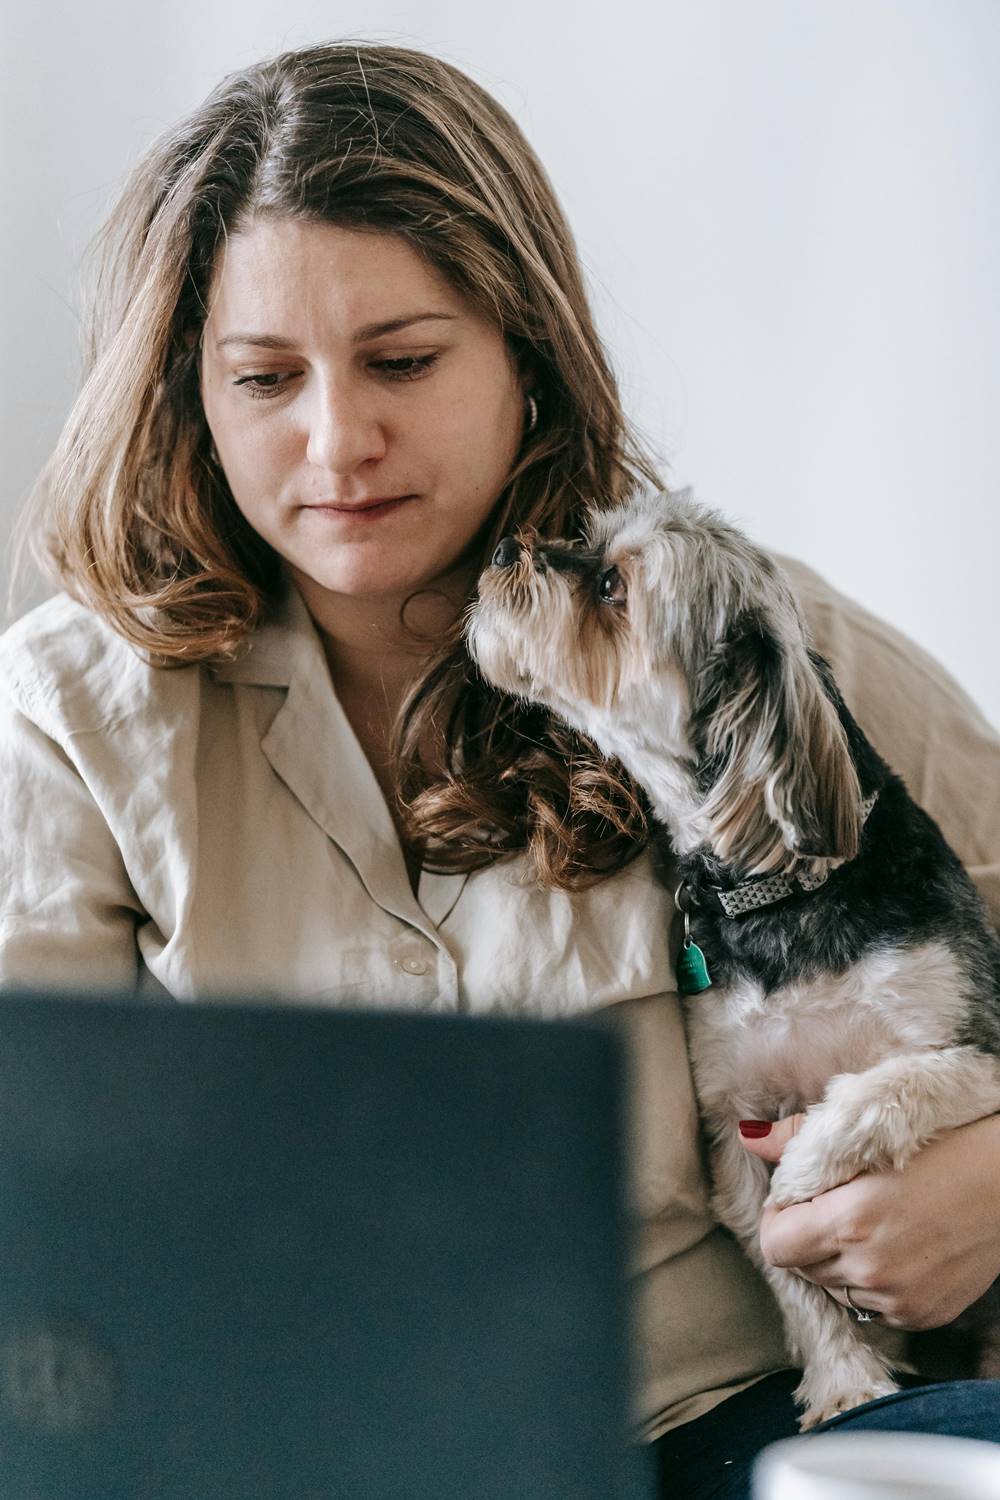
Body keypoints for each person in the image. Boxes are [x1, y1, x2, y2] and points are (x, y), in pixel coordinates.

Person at [1, 40, 998, 1498]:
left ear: (525, 350)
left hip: (755, 1427)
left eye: (404, 360)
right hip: (278, 1457)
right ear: (187, 396)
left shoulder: (752, 649)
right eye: (265, 377)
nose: (339, 440)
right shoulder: (70, 718)